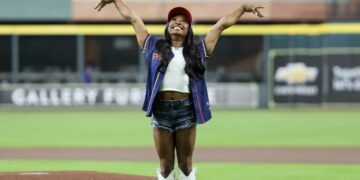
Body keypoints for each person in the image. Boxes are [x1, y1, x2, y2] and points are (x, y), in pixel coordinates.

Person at [95, 1, 264, 179]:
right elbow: (133, 18)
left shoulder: (198, 50)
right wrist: (116, 0)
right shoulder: (153, 46)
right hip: (161, 111)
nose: (177, 22)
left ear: (189, 29)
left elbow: (220, 25)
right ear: (167, 26)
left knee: (185, 165)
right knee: (166, 166)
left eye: (184, 21)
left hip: (186, 110)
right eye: (173, 19)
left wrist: (242, 8)